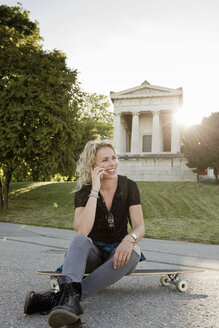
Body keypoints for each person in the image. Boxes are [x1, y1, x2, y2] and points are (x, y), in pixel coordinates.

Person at [24, 139, 145, 328]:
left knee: (134, 252)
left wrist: (130, 239)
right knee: (79, 240)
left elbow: (139, 227)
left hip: (119, 255)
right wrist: (95, 190)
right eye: (104, 160)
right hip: (93, 254)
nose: (112, 164)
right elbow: (82, 230)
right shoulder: (84, 191)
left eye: (113, 158)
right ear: (92, 166)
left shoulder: (129, 186)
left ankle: (61, 300)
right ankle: (69, 302)